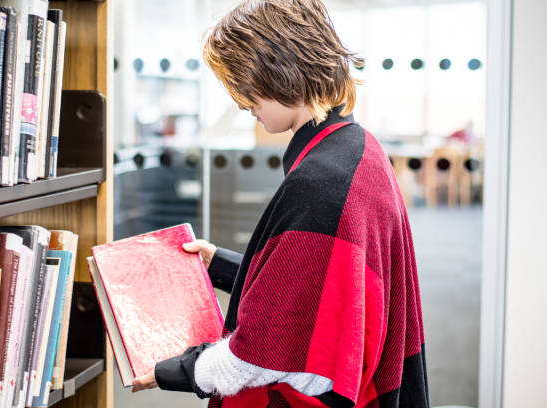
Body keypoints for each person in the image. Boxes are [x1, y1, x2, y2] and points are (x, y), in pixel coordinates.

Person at [132, 0, 429, 406]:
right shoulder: (358, 149)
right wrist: (218, 263)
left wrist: (171, 371)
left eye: (242, 83)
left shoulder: (321, 183)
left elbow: (255, 358)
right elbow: (316, 290)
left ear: (278, 73)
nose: (240, 102)